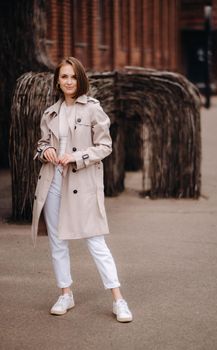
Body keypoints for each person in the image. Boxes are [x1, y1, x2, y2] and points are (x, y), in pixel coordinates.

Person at [31, 57, 133, 323]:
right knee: (57, 242)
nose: (68, 81)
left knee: (95, 241)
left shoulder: (93, 109)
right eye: (64, 76)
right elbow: (41, 144)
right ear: (57, 80)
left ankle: (118, 300)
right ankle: (66, 293)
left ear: (81, 79)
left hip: (82, 183)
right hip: (53, 182)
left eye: (73, 77)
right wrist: (46, 150)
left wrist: (77, 157)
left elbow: (105, 146)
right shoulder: (50, 113)